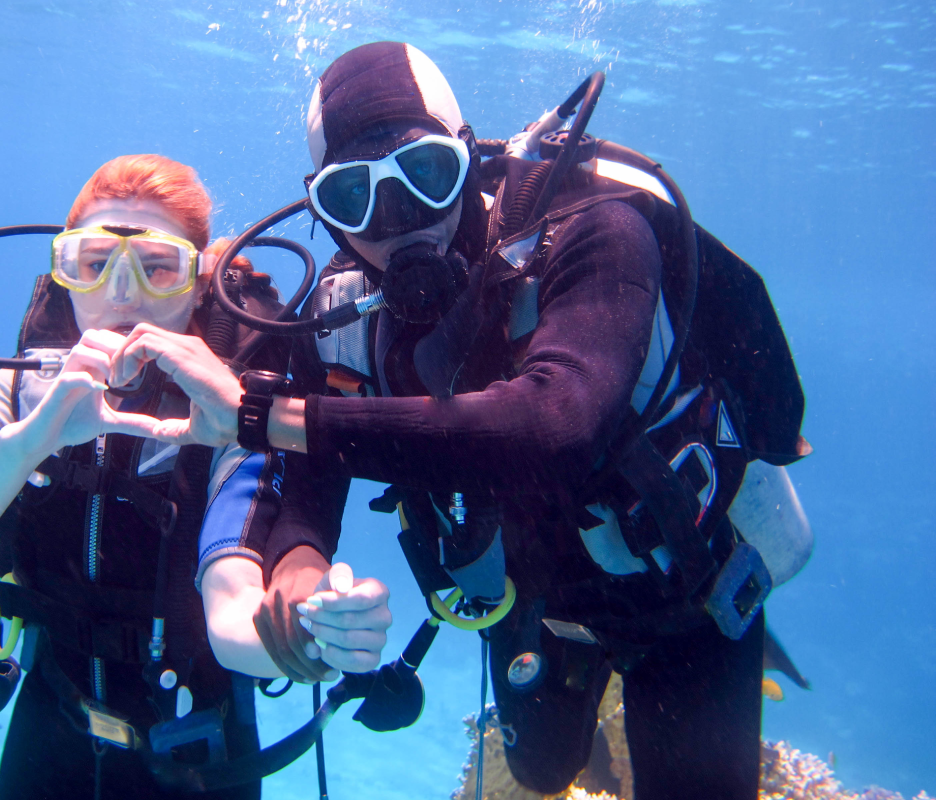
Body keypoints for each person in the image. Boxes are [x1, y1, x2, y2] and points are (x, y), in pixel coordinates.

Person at [110, 43, 813, 800]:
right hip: (533, 607)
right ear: (323, 207)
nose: (398, 221)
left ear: (469, 156)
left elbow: (556, 422)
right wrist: (302, 584)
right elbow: (308, 490)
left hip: (686, 598)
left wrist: (261, 413)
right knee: (543, 771)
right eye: (355, 197)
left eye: (427, 174)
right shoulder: (343, 322)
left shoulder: (594, 230)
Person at [0, 154, 391, 800]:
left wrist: (308, 633)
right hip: (51, 732)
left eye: (158, 268)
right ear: (66, 273)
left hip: (197, 756)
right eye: (95, 262)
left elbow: (232, 615)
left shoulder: (225, 417)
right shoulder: (16, 391)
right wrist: (34, 438)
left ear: (197, 285)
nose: (122, 293)